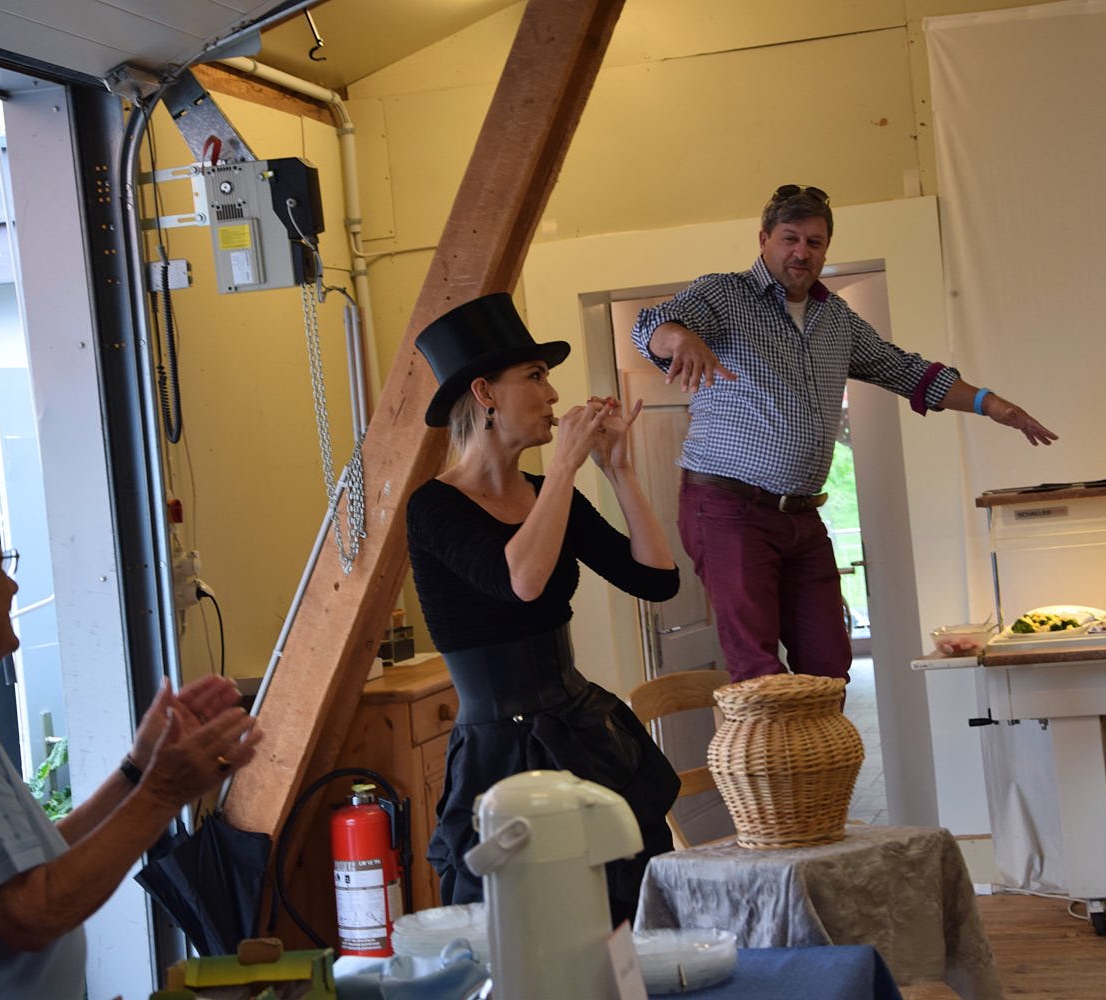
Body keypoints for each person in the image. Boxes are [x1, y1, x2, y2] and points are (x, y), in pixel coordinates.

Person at [633, 183, 1057, 683]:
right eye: (790, 238)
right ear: (764, 239)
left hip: (802, 514)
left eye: (814, 242)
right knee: (758, 667)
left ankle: (820, 740)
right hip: (729, 508)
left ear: (826, 249)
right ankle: (770, 741)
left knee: (830, 663)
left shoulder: (835, 318)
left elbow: (904, 369)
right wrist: (680, 337)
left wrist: (990, 404)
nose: (801, 252)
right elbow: (651, 327)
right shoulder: (724, 294)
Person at [0, 488, 263, 999]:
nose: (12, 585)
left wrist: (137, 771)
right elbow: (32, 912)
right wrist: (164, 792)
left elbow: (27, 864)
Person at [406, 292, 681, 927]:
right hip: (496, 756)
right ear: (485, 393)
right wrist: (564, 467)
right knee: (521, 927)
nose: (553, 394)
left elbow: (656, 580)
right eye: (535, 376)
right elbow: (521, 581)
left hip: (582, 732)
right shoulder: (434, 507)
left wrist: (618, 471)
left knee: (622, 917)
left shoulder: (544, 492)